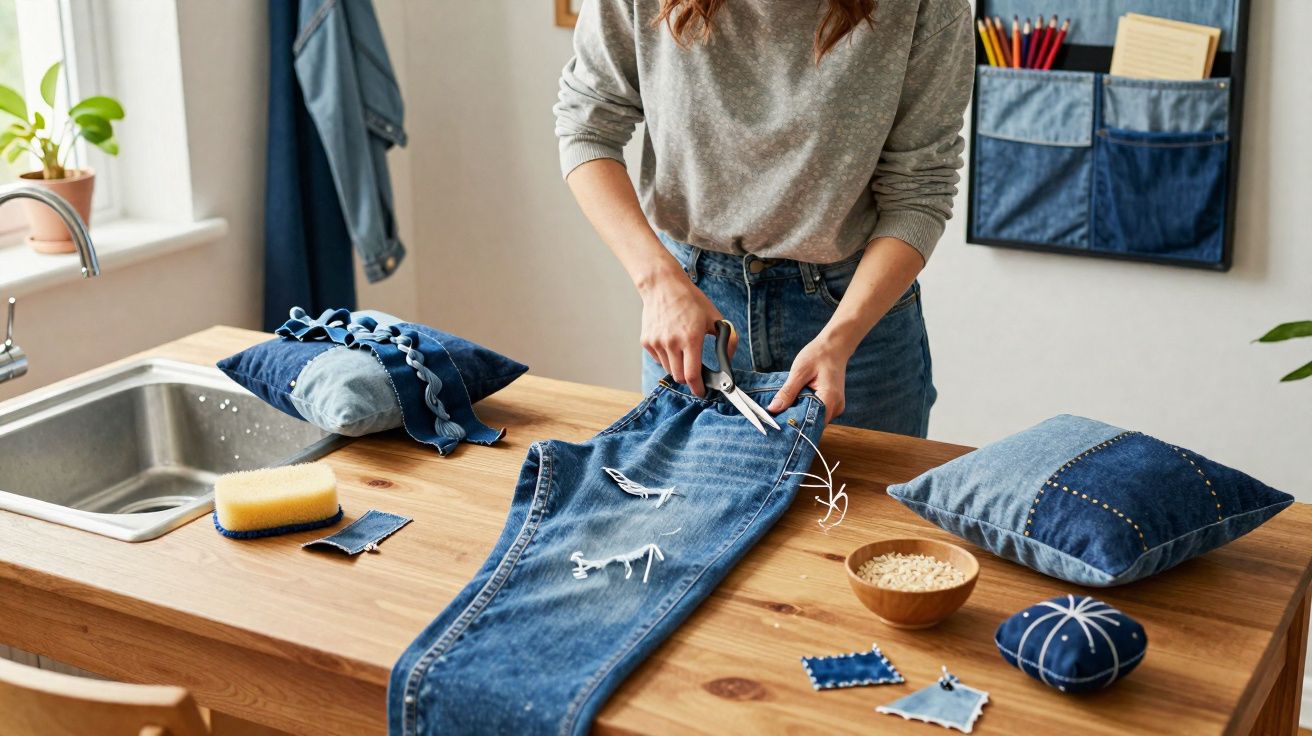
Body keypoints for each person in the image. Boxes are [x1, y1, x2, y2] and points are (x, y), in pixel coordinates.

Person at [554, 0, 973, 437]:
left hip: (855, 320)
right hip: (692, 312)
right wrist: (658, 283)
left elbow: (919, 191)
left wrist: (841, 337)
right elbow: (587, 129)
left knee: (869, 486)